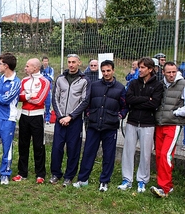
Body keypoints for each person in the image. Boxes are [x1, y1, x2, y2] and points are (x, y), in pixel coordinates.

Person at [73, 60, 127, 192]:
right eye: (103, 71)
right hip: (93, 125)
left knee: (108, 155)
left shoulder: (120, 88)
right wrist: (89, 114)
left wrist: (118, 116)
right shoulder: (94, 85)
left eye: (108, 70)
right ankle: (83, 179)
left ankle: (104, 181)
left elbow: (125, 106)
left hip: (110, 127)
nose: (106, 73)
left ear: (113, 70)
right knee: (88, 153)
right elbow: (87, 102)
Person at [118, 57, 163, 193]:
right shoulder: (133, 83)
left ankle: (142, 180)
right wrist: (145, 99)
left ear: (150, 69)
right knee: (128, 151)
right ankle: (127, 179)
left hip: (148, 123)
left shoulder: (158, 85)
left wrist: (140, 102)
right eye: (139, 67)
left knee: (145, 154)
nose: (140, 70)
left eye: (143, 67)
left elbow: (154, 104)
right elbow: (129, 100)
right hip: (132, 122)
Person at [49, 54, 90, 187]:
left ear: (79, 63)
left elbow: (85, 101)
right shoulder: (60, 78)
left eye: (74, 62)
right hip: (60, 120)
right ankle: (55, 174)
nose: (71, 65)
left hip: (75, 121)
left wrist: (71, 116)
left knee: (73, 149)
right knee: (57, 148)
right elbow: (55, 98)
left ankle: (69, 176)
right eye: (69, 62)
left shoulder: (85, 80)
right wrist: (61, 117)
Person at [150, 62, 185, 198]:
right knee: (159, 154)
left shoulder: (182, 84)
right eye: (169, 72)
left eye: (173, 72)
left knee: (166, 154)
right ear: (163, 72)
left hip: (173, 124)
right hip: (159, 123)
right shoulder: (161, 84)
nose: (171, 75)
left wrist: (176, 113)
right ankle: (167, 184)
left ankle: (163, 188)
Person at [12, 58, 50, 184]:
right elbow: (19, 97)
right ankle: (22, 173)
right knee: (23, 145)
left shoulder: (44, 81)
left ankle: (40, 174)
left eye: (28, 66)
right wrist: (29, 95)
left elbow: (40, 100)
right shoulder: (24, 80)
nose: (25, 68)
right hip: (24, 115)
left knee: (38, 145)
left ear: (35, 68)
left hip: (37, 116)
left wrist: (27, 96)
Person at [0, 52, 21, 185]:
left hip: (8, 119)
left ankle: (5, 173)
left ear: (6, 66)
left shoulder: (16, 82)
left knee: (7, 147)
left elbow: (6, 100)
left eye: (0, 64)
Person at [40, 56, 54, 124]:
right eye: (44, 61)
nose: (45, 62)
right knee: (40, 104)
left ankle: (48, 119)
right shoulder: (39, 69)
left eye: (46, 61)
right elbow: (38, 78)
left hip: (48, 89)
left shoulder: (51, 69)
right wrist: (45, 79)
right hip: (40, 89)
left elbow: (50, 79)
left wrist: (43, 79)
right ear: (42, 62)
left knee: (48, 104)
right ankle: (41, 117)